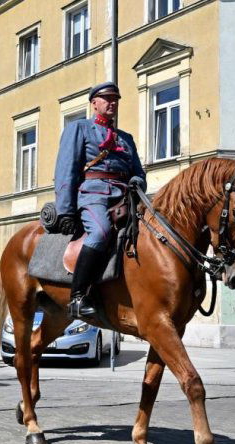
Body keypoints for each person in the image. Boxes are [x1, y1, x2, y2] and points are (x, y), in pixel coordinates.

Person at [54, 81, 146, 318]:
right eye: (106, 99)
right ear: (94, 103)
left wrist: (137, 181)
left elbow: (138, 172)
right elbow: (66, 170)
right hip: (94, 195)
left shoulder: (126, 138)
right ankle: (77, 297)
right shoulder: (80, 128)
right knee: (101, 232)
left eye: (115, 99)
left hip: (125, 197)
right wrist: (65, 210)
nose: (112, 103)